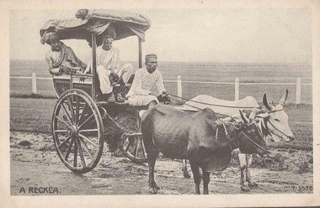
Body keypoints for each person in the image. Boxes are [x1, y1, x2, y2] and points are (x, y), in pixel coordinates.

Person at [87, 27, 133, 102]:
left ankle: (119, 91)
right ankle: (109, 93)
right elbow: (95, 67)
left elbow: (117, 66)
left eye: (110, 38)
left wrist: (114, 73)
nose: (108, 40)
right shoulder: (97, 51)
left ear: (113, 39)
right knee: (100, 68)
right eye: (106, 37)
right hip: (102, 75)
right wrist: (109, 73)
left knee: (129, 67)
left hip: (114, 74)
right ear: (103, 39)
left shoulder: (116, 51)